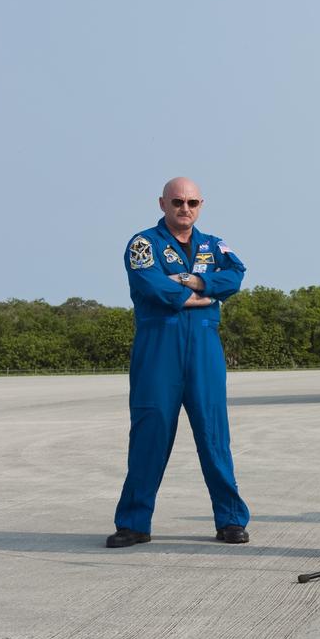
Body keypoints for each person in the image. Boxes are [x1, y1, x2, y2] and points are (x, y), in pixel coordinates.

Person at [107, 178, 251, 548]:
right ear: (162, 204)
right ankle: (134, 523)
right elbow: (149, 284)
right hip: (159, 349)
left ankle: (231, 520)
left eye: (191, 202)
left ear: (200, 204)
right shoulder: (144, 243)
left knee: (214, 435)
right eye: (176, 202)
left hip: (204, 349)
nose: (184, 209)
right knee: (149, 433)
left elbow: (235, 274)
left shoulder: (213, 244)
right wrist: (199, 295)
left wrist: (192, 281)